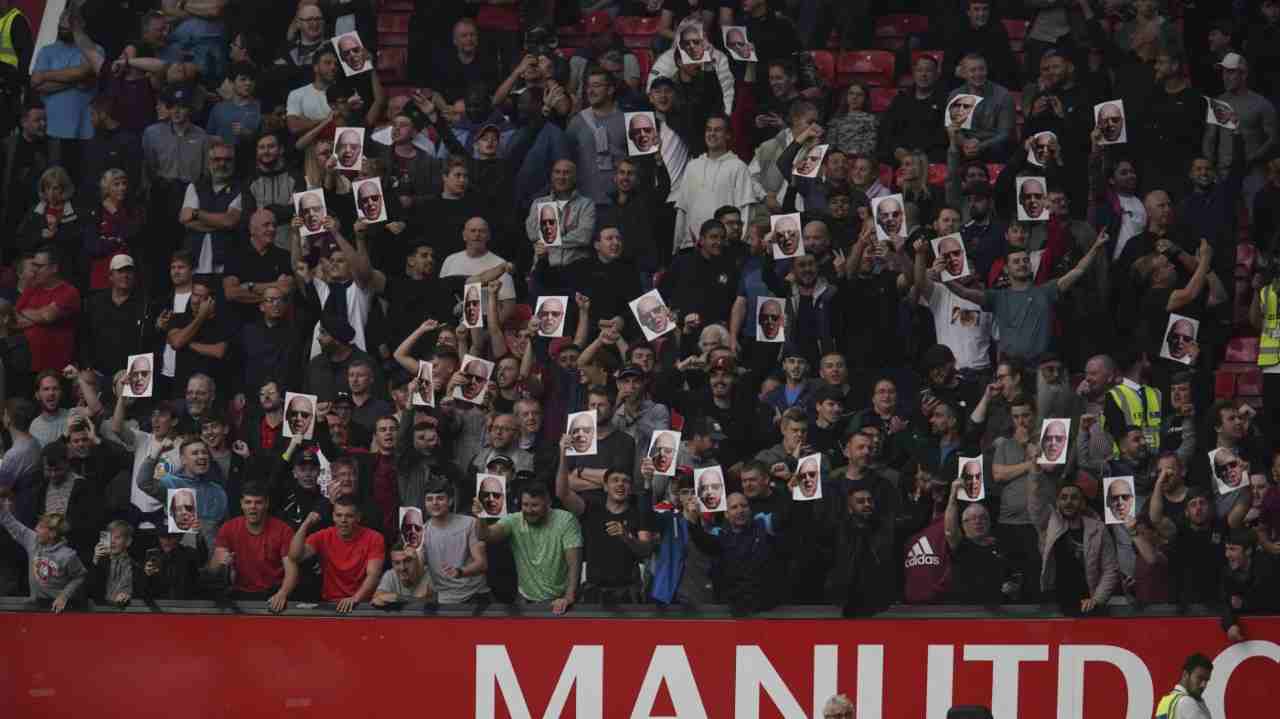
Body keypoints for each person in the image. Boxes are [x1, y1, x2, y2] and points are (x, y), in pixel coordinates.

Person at [475, 483, 583, 614]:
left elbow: (574, 563)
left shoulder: (566, 520)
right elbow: (485, 535)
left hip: (559, 600)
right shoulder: (514, 520)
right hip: (525, 599)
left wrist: (568, 596)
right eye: (525, 505)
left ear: (548, 503)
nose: (529, 510)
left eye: (535, 505)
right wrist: (480, 516)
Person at [288, 498, 386, 613]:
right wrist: (306, 524)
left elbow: (373, 575)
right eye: (339, 515)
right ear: (333, 517)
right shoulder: (323, 536)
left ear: (358, 517)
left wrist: (355, 599)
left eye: (349, 516)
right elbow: (295, 556)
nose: (343, 520)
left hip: (363, 605)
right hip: (330, 604)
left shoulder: (374, 538)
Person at [370, 542, 433, 606]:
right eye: (397, 563)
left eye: (407, 561)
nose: (402, 568)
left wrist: (395, 598)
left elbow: (426, 604)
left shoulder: (431, 575)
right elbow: (376, 599)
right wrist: (401, 598)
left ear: (417, 560)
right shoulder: (390, 575)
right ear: (392, 564)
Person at [1154, 653, 1214, 719]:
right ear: (1185, 674)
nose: (1204, 685)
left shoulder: (1164, 702)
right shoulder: (1187, 702)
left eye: (1206, 680)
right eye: (1200, 678)